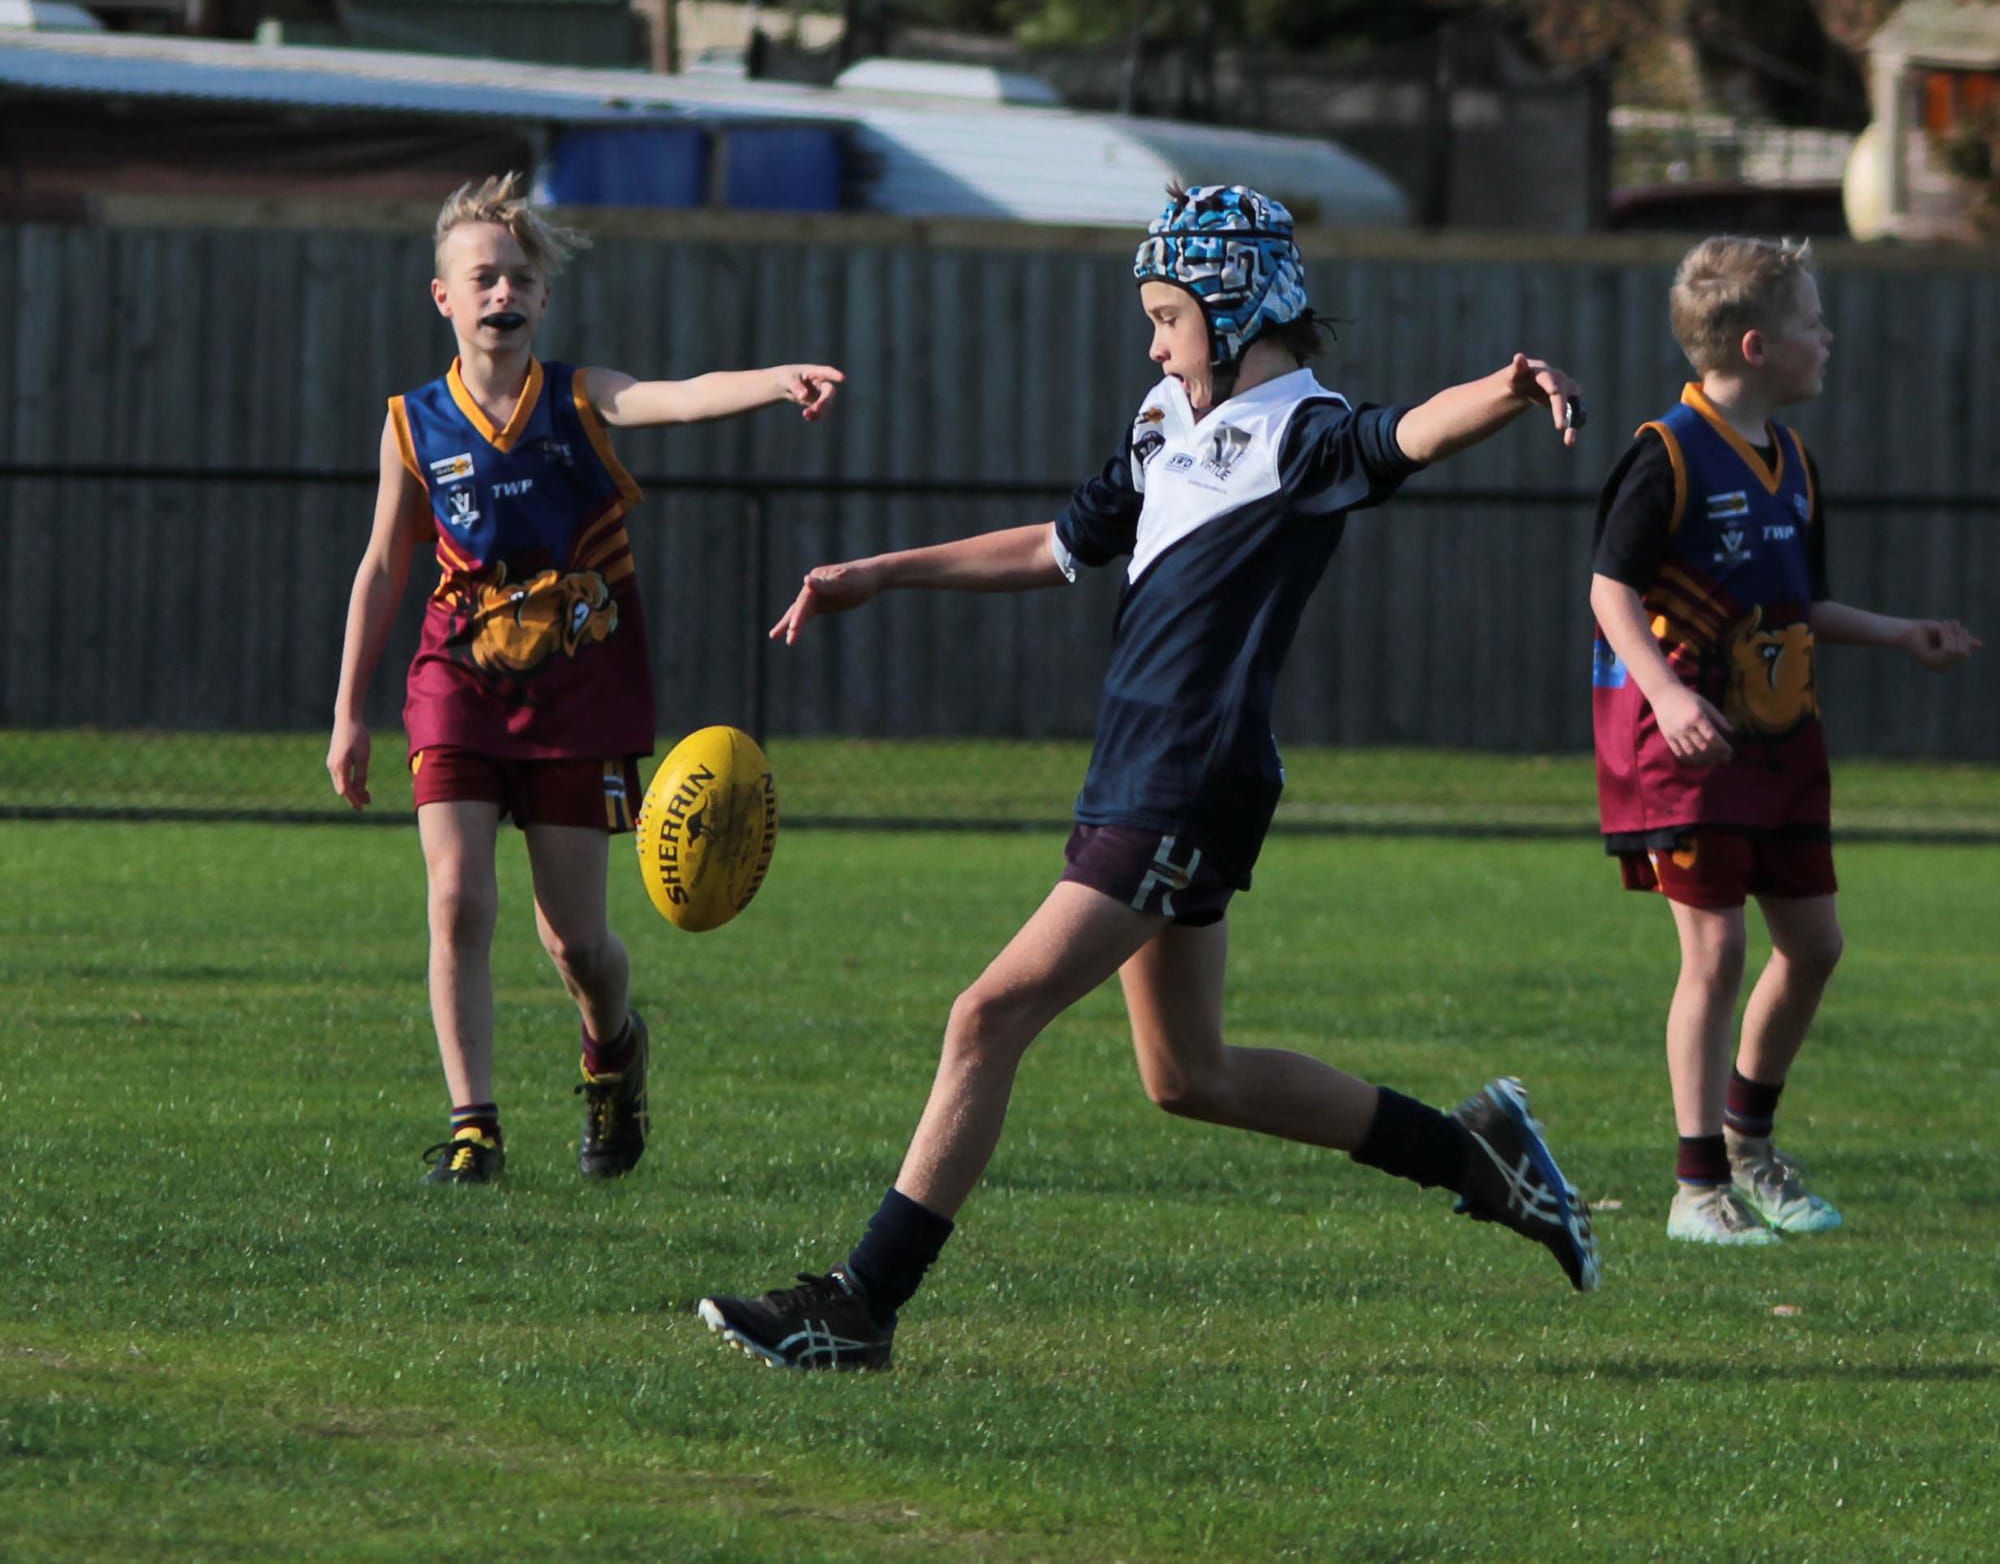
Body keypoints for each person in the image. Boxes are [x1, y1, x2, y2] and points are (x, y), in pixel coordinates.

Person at [697, 183, 1600, 1371]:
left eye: (1167, 316)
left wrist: (1506, 388)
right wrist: (881, 570)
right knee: (1189, 1075)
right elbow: (1054, 546)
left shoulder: (1301, 432)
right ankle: (1474, 1155)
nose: (1152, 341)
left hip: (1185, 780)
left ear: (1233, 315)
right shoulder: (1164, 420)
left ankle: (860, 1303)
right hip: (1144, 771)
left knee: (986, 1016)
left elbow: (1406, 434)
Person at [326, 173, 842, 1185]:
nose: (499, 295)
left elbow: (678, 398)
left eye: (517, 277)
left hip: (578, 693)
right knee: (456, 899)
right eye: (480, 278)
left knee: (575, 946)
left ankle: (612, 1050)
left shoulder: (576, 397)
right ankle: (474, 1125)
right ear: (444, 297)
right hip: (458, 681)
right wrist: (349, 713)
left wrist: (773, 377)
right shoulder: (411, 423)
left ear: (542, 298)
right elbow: (385, 566)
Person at [1590, 235, 1978, 1247]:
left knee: (1812, 945)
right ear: (1756, 346)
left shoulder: (1792, 462)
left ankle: (1749, 1146)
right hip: (1686, 750)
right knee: (1713, 951)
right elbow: (1608, 589)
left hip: (1779, 742)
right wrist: (1668, 695)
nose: (1827, 339)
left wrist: (1899, 635)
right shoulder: (1665, 452)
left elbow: (1798, 603)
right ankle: (1693, 1188)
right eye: (1812, 324)